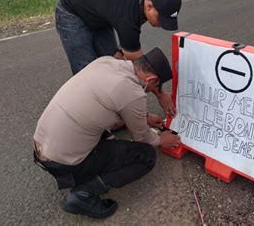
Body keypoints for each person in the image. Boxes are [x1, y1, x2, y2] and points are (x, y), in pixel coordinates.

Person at [33, 47, 181, 219]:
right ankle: (83, 194)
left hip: (41, 146)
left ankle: (82, 173)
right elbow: (143, 137)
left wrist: (144, 116)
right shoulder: (133, 94)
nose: (153, 89)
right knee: (146, 154)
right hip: (66, 164)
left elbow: (111, 100)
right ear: (151, 79)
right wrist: (161, 140)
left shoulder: (106, 62)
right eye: (156, 86)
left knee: (107, 124)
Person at [55, 0, 182, 117]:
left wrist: (121, 52)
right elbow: (142, 69)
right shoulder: (127, 19)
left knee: (113, 63)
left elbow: (128, 44)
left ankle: (112, 104)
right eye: (161, 19)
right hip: (72, 12)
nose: (161, 24)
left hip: (101, 15)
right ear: (149, 6)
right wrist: (160, 95)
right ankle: (88, 117)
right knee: (87, 71)